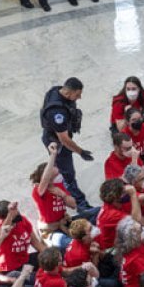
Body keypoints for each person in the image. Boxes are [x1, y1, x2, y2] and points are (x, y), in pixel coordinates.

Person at [40, 77, 92, 211]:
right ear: (69, 93)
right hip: (57, 143)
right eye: (77, 94)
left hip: (57, 136)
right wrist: (81, 152)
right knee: (68, 174)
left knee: (61, 168)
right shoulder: (57, 112)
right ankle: (81, 205)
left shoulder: (56, 90)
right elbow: (64, 139)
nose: (79, 98)